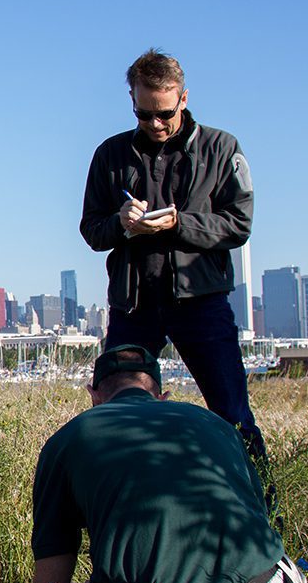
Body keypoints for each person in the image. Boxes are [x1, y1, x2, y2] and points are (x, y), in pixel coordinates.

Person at [78, 48, 269, 466]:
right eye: (144, 114)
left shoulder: (221, 148)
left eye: (164, 112)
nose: (155, 124)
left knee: (233, 418)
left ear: (183, 98)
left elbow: (239, 225)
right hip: (134, 306)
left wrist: (179, 224)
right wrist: (121, 223)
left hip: (201, 303)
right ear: (132, 100)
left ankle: (264, 518)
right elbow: (91, 230)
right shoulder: (109, 154)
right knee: (117, 417)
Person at [30, 345, 307, 583]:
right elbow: (258, 518)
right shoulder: (217, 424)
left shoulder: (67, 440)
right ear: (162, 397)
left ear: (93, 396)